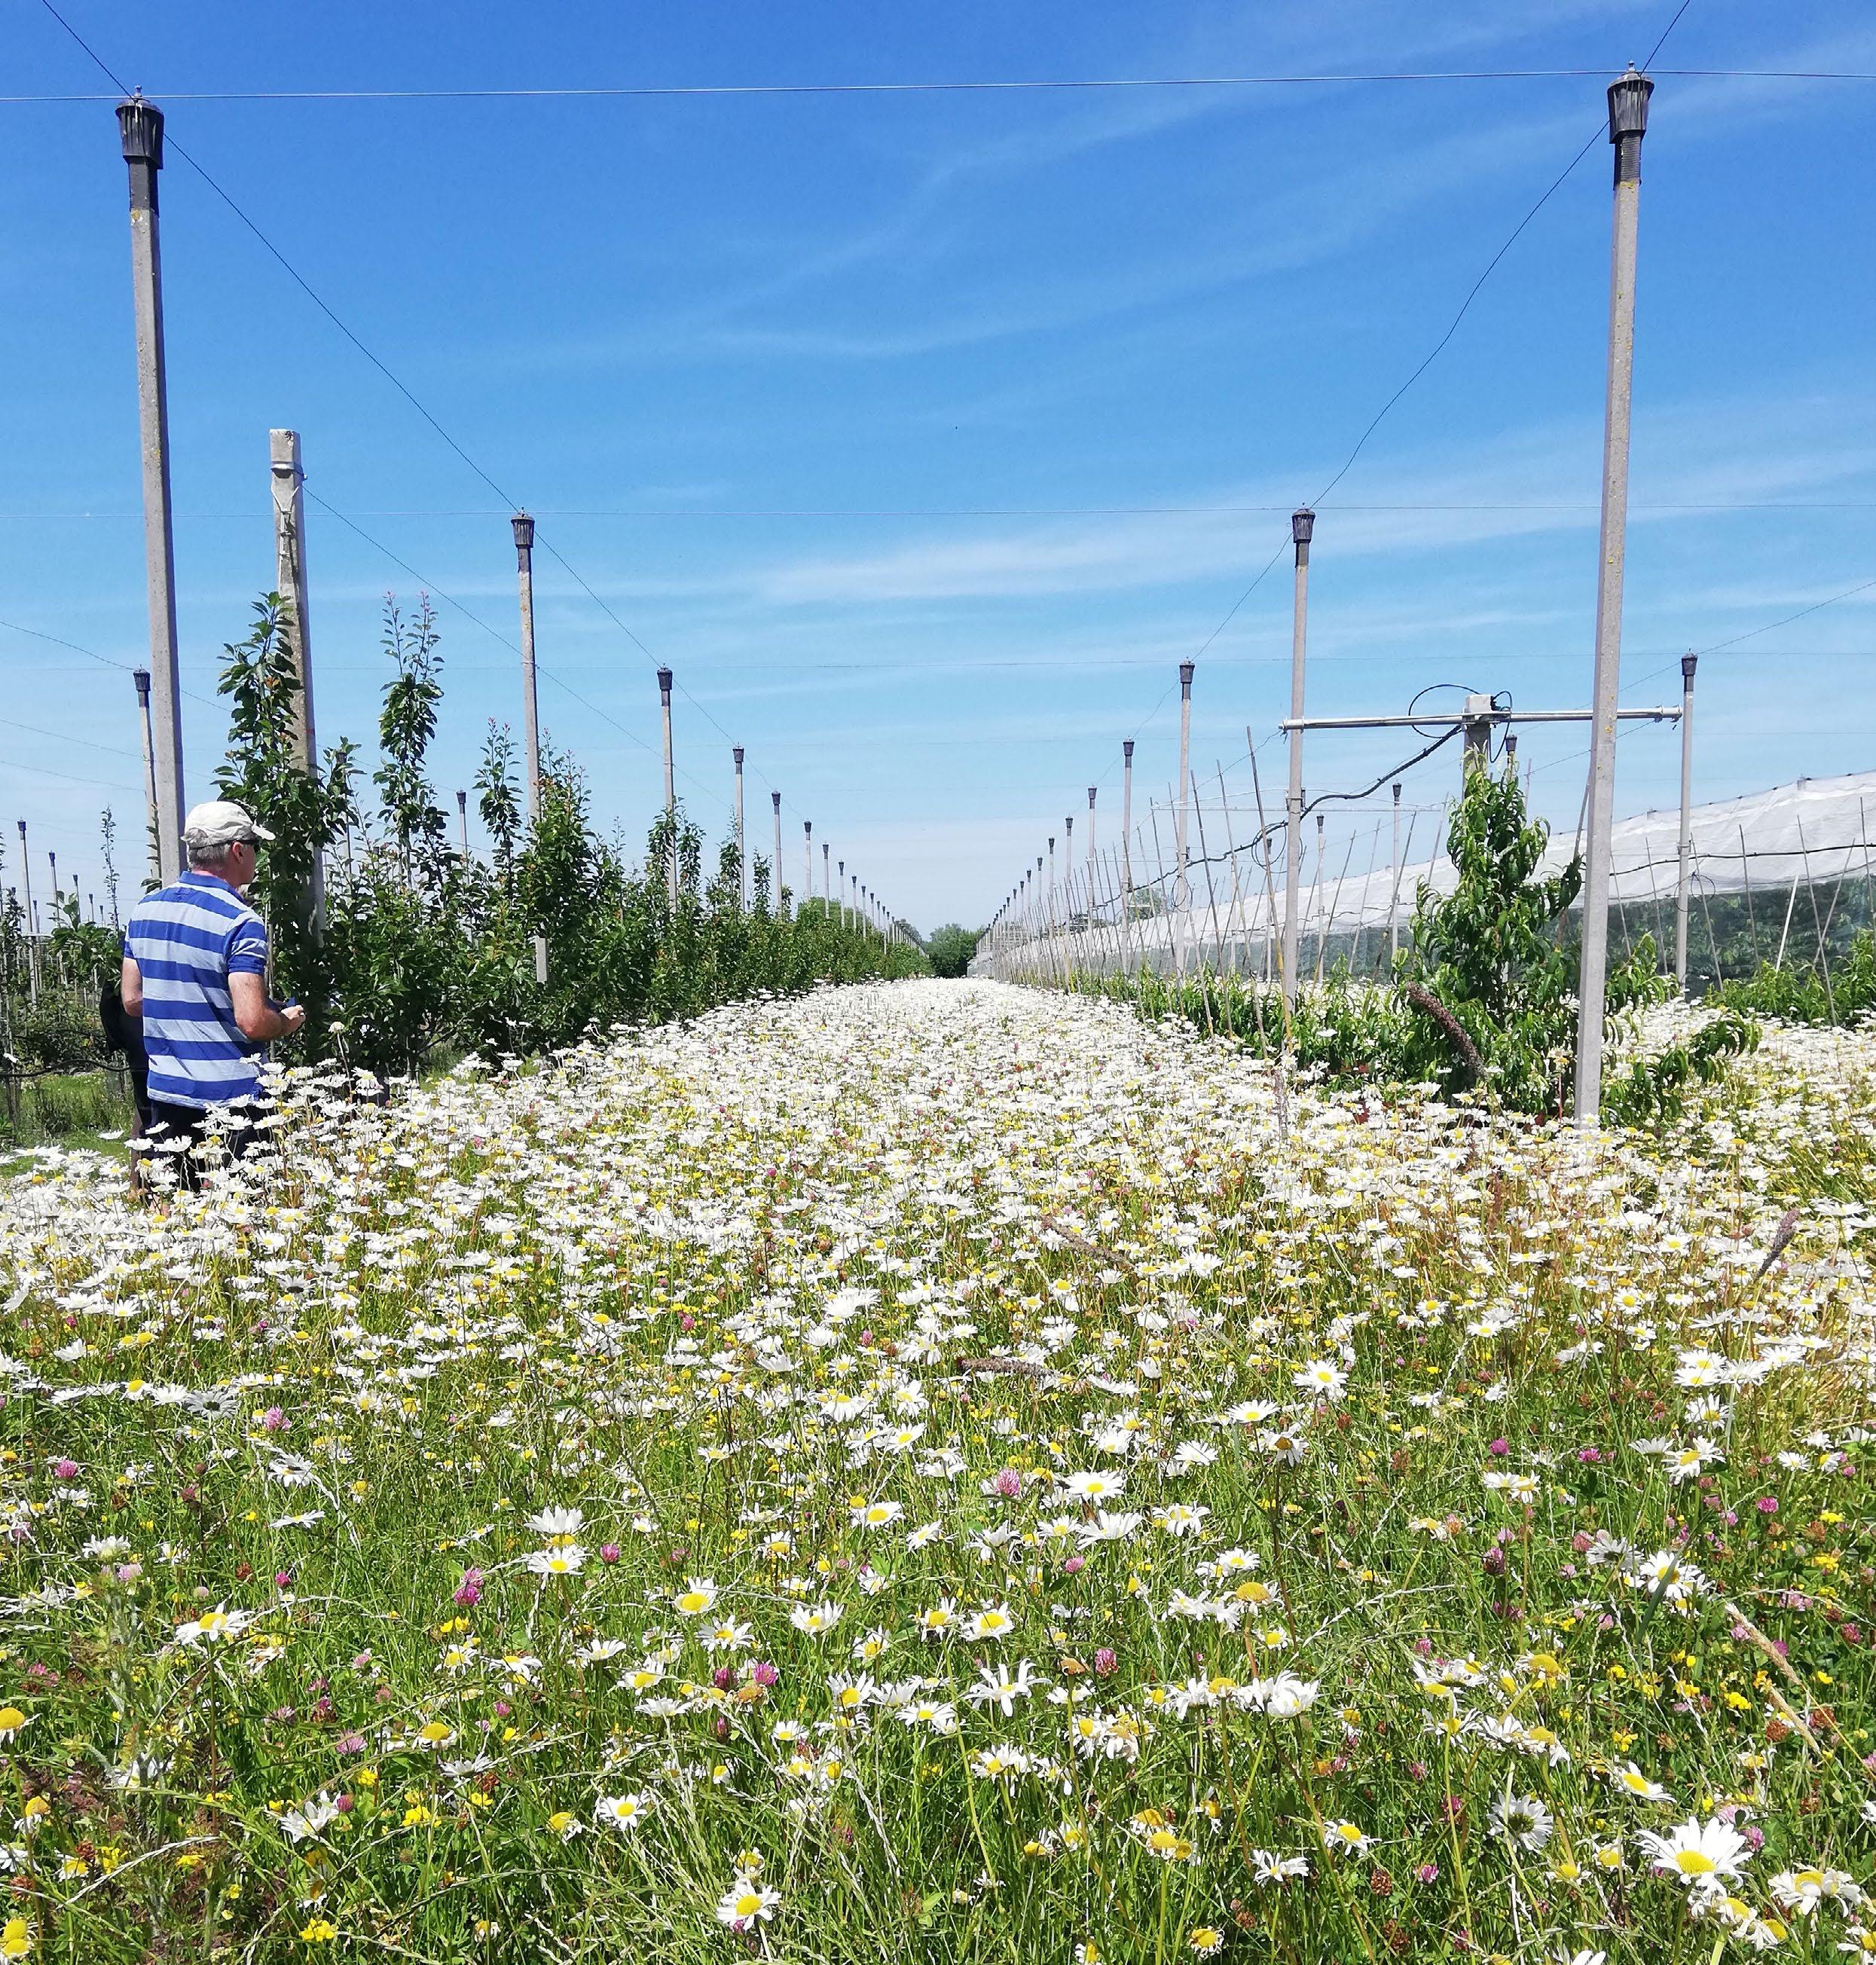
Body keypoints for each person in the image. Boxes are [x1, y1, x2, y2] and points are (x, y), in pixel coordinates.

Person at [120, 799, 305, 1187]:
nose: (256, 856)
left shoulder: (145, 911)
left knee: (177, 1207)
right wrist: (284, 1022)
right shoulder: (240, 921)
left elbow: (133, 1000)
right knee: (244, 1209)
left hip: (168, 1091)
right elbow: (252, 1021)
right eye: (255, 846)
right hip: (232, 1099)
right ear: (238, 851)